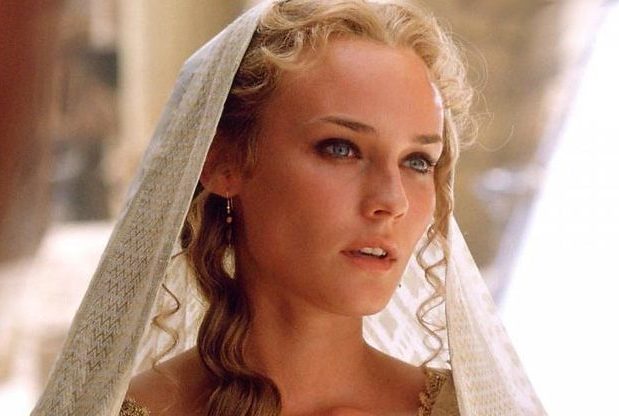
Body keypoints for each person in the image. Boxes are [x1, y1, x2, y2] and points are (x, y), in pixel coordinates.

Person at [31, 1, 546, 415]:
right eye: (341, 148)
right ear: (224, 162)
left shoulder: (473, 409)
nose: (391, 201)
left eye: (417, 161)